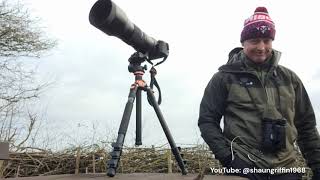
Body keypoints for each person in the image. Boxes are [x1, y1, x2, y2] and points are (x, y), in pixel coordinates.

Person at [198, 7, 320, 180]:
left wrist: (317, 165)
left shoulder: (290, 78)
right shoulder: (223, 78)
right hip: (242, 170)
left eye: (266, 40)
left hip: (286, 170)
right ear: (243, 42)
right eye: (255, 41)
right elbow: (207, 121)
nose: (261, 47)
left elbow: (306, 126)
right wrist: (228, 159)